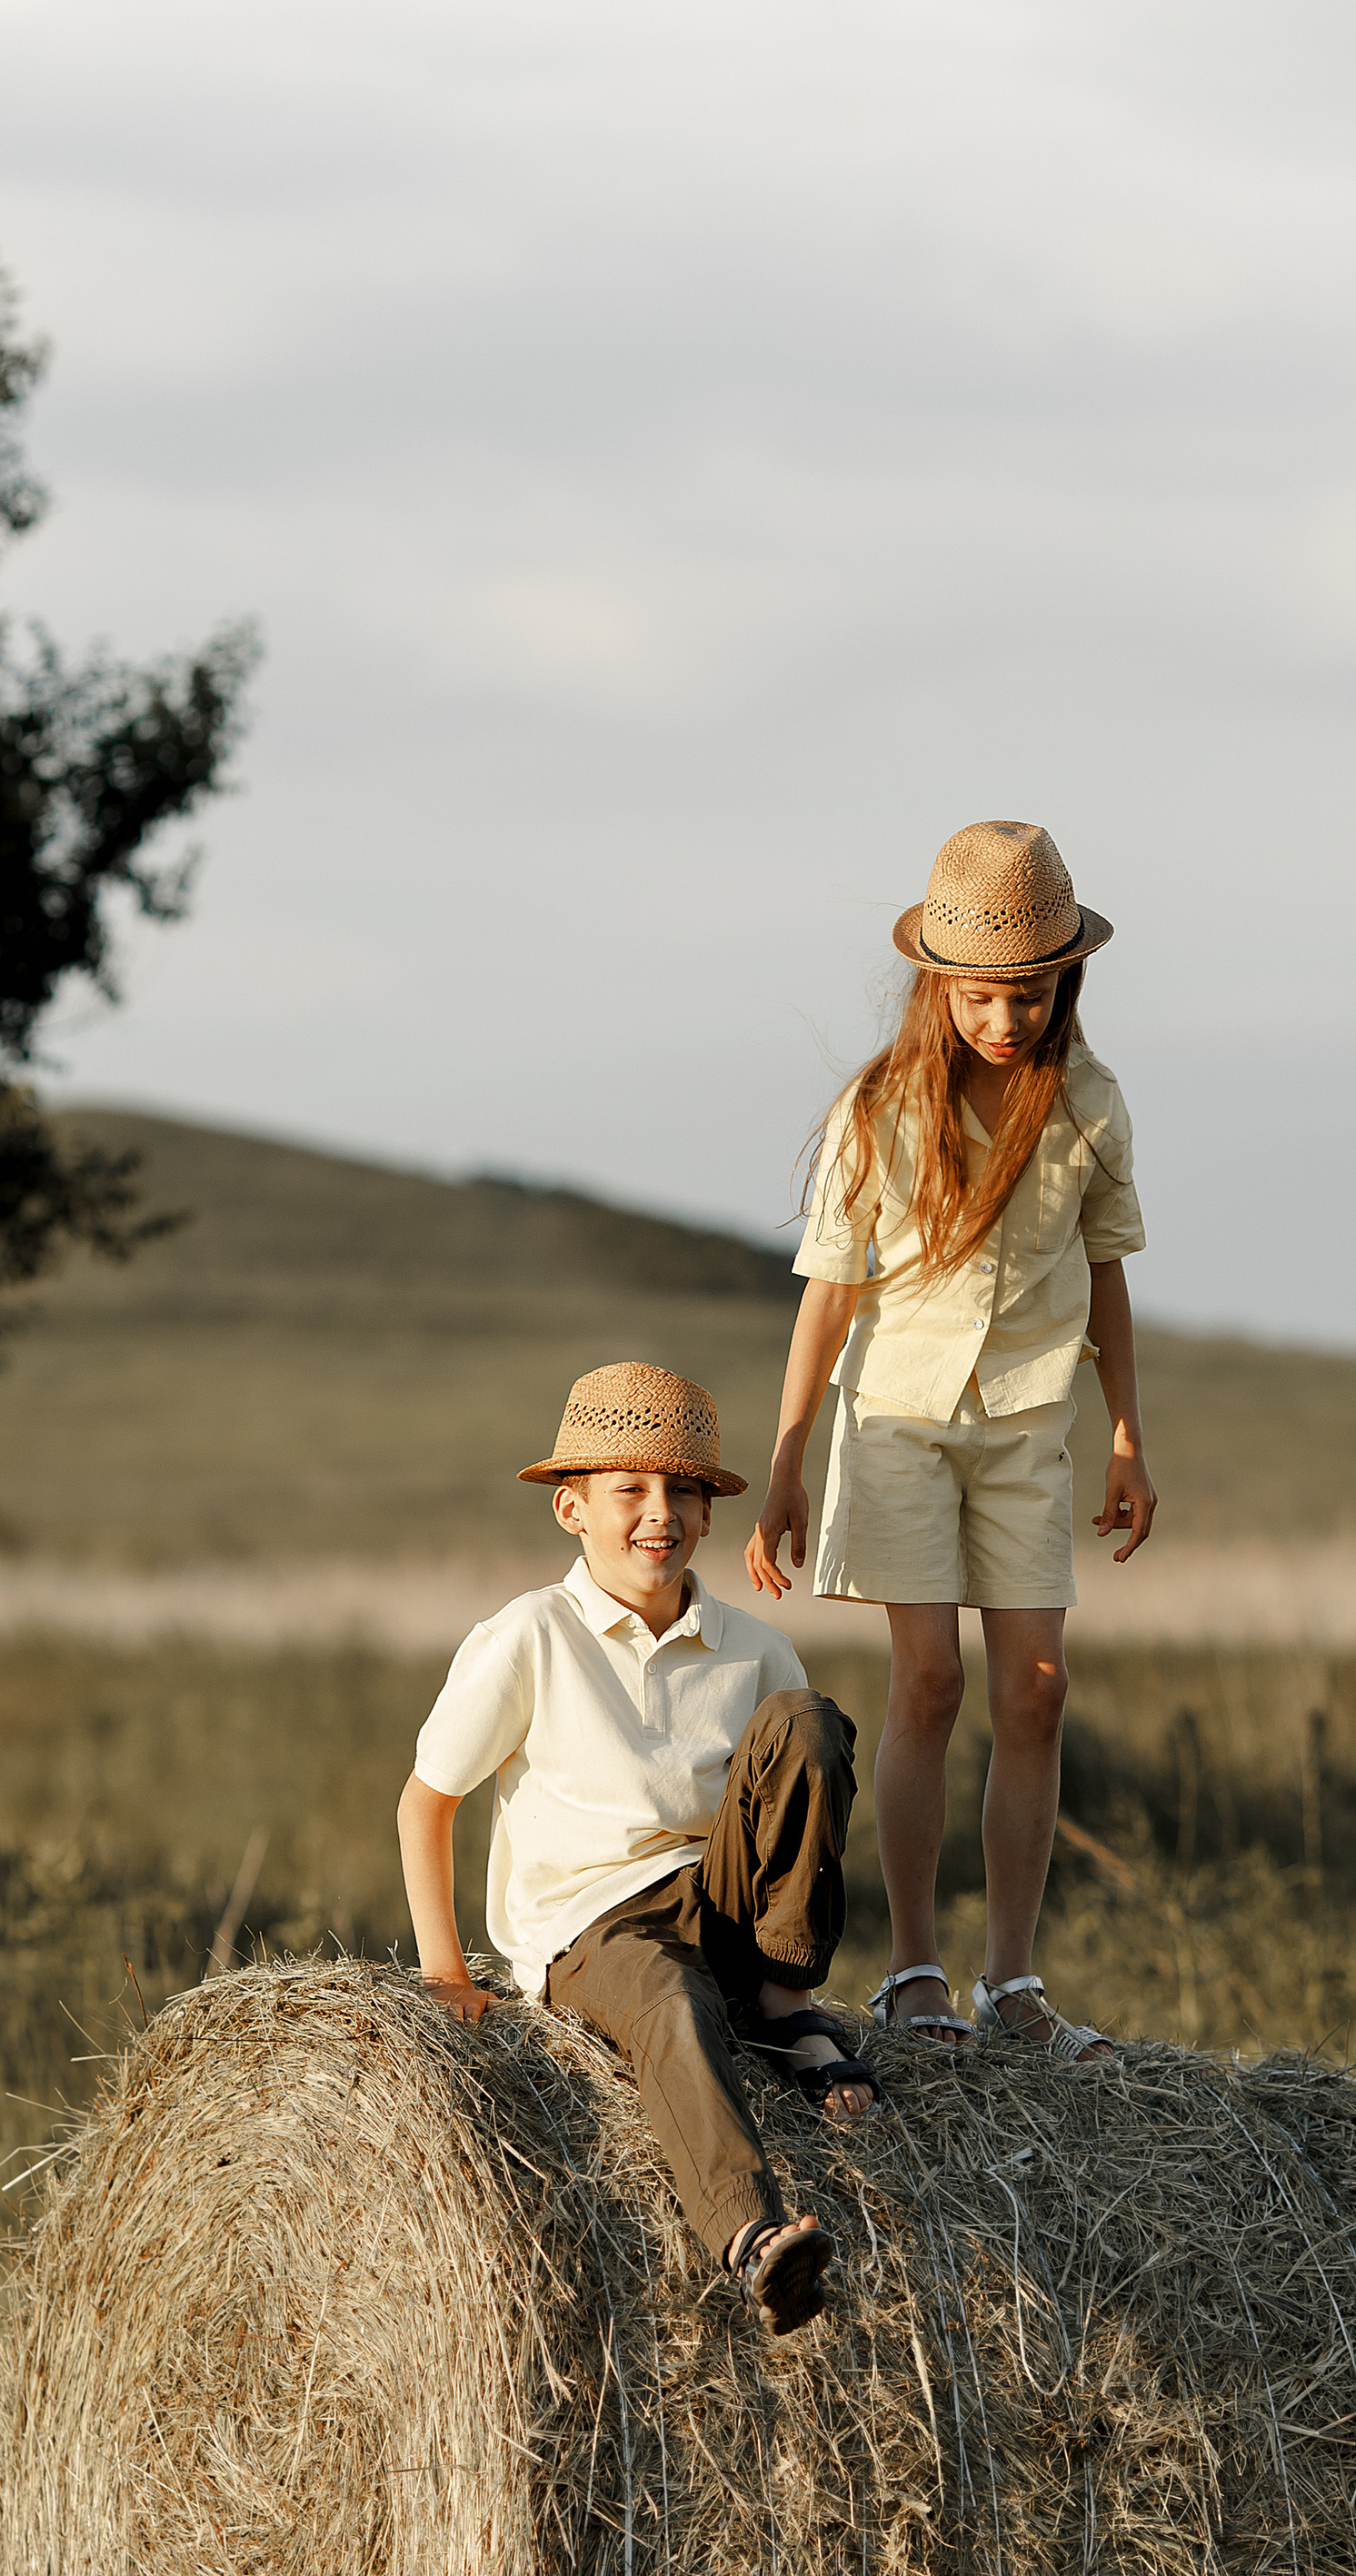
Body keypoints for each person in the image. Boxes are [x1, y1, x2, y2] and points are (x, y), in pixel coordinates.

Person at [744, 819, 1156, 2058]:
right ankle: (914, 1972)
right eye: (981, 995)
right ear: (938, 983)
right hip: (900, 1426)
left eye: (1030, 994)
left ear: (1062, 982)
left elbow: (1111, 1275)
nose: (1007, 1019)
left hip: (1030, 1425)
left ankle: (1014, 1987)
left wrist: (1131, 1435)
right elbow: (829, 1291)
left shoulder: (1089, 1106)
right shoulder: (876, 1109)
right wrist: (786, 1462)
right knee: (927, 1685)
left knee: (1038, 1691)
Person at [398, 1361, 875, 2336]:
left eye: (682, 1492)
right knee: (667, 2001)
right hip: (596, 1923)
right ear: (573, 1509)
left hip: (725, 1900)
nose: (658, 1513)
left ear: (705, 1516)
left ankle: (783, 2003)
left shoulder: (751, 1645)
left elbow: (794, 1805)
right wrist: (445, 1973)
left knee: (808, 1722)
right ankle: (755, 2240)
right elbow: (424, 1801)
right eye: (631, 1491)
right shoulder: (530, 1634)